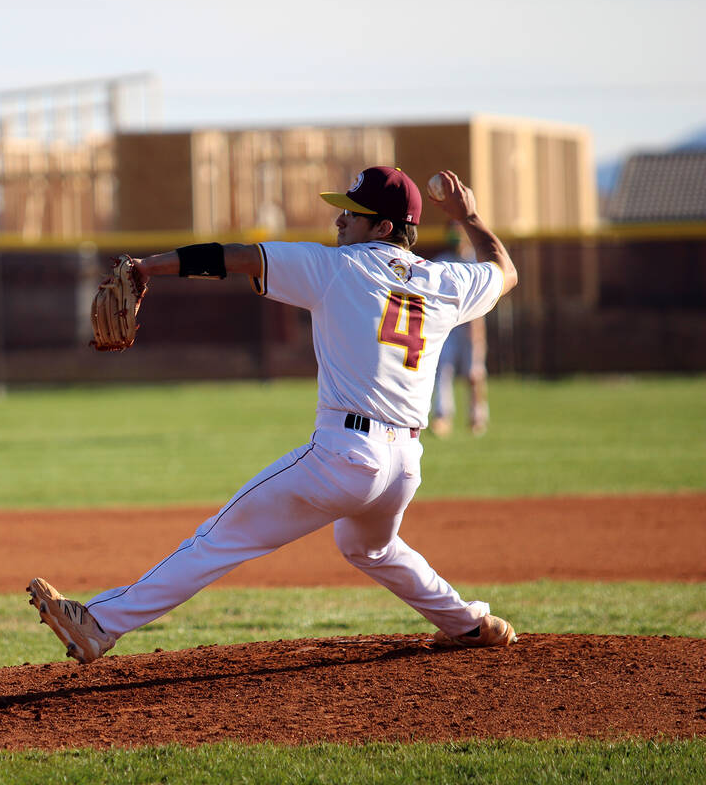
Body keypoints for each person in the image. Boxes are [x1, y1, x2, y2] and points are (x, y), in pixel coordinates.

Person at [28, 166, 520, 663]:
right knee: (368, 548)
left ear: (384, 227)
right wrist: (471, 216)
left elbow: (237, 258)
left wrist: (149, 267)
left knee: (221, 537)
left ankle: (98, 624)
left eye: (354, 213)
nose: (340, 221)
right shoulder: (445, 280)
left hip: (344, 456)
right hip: (404, 466)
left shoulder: (336, 269)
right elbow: (505, 270)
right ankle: (469, 624)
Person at [429, 224, 490, 437]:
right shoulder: (441, 261)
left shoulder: (475, 261)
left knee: (474, 374)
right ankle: (442, 415)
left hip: (471, 325)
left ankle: (477, 416)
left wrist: (478, 331)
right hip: (447, 327)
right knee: (442, 369)